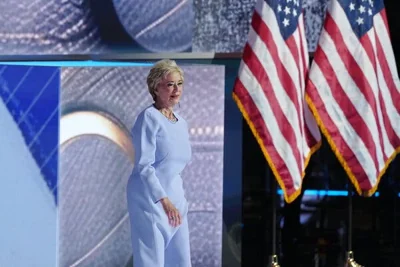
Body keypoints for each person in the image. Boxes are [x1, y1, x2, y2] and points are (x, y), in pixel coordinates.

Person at [126, 59, 192, 267]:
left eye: (179, 83)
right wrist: (164, 200)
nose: (176, 89)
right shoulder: (148, 118)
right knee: (151, 262)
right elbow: (144, 166)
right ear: (156, 87)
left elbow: (176, 169)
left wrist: (178, 201)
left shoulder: (182, 122)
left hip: (176, 201)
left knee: (181, 261)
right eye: (170, 84)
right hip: (149, 200)